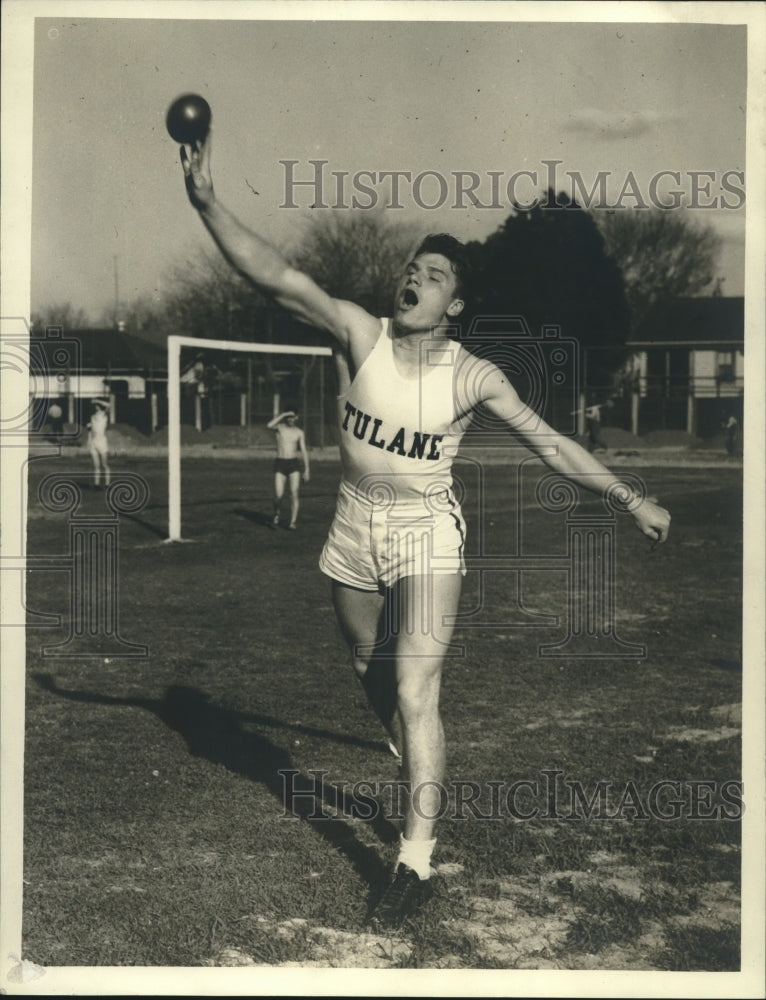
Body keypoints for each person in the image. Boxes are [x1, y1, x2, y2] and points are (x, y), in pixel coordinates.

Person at [179, 135, 671, 930]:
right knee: (371, 669)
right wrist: (207, 200)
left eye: (435, 275)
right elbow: (275, 273)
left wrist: (629, 498)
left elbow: (552, 444)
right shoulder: (359, 334)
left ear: (457, 304)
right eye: (413, 268)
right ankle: (412, 754)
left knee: (415, 690)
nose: (415, 278)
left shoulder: (474, 375)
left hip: (425, 534)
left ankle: (414, 861)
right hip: (350, 530)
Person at [267, 410, 310, 529]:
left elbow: (304, 450)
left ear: (297, 418)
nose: (290, 419)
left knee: (294, 493)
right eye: (288, 417)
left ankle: (293, 522)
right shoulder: (279, 428)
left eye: (293, 417)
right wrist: (284, 414)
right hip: (280, 463)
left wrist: (307, 469)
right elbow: (269, 425)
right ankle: (276, 513)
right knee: (278, 495)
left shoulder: (299, 432)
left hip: (293, 464)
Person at [87, 398, 111, 488]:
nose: (95, 407)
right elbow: (90, 431)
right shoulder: (92, 417)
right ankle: (96, 484)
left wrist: (97, 400)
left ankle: (107, 483)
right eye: (95, 406)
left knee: (104, 464)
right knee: (96, 465)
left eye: (97, 406)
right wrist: (89, 442)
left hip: (102, 442)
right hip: (94, 442)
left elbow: (109, 405)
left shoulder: (104, 415)